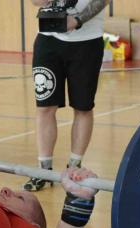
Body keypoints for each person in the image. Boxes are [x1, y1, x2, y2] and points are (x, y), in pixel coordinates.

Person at [24, 0, 110, 192]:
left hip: (88, 42)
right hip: (48, 40)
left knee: (83, 107)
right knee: (45, 107)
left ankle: (74, 167)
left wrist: (77, 20)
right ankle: (44, 170)